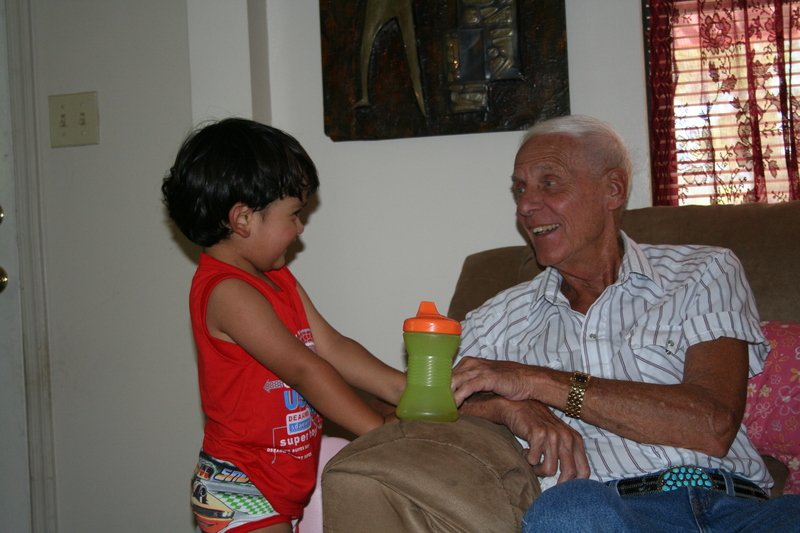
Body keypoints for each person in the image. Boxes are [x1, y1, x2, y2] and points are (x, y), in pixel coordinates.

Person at [450, 115, 800, 532]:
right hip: (607, 510)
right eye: (520, 188)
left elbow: (712, 425)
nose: (525, 205)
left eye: (549, 183)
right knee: (567, 510)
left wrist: (536, 382)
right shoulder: (500, 316)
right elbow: (419, 398)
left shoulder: (703, 271)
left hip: (739, 509)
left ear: (612, 189)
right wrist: (510, 407)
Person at [161, 118, 405, 533]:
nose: (300, 228)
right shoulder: (227, 292)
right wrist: (376, 430)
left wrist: (402, 389)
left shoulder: (278, 279)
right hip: (242, 486)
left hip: (281, 482)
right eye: (293, 214)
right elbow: (304, 369)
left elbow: (331, 347)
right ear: (243, 219)